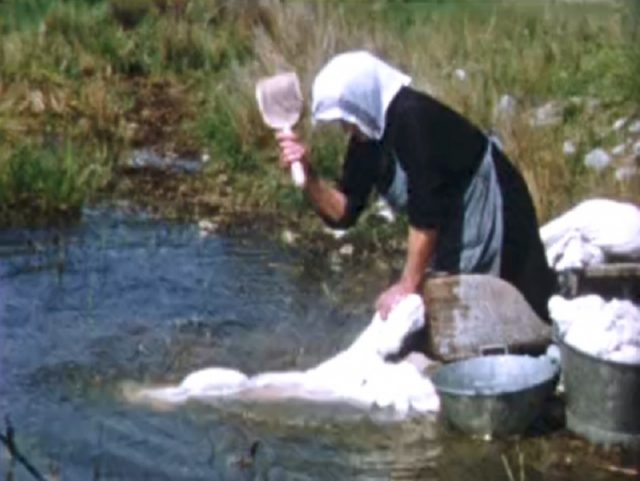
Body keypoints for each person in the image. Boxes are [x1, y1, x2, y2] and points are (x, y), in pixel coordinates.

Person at [276, 50, 557, 322]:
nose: (345, 128)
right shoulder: (367, 141)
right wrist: (310, 179)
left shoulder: (414, 120)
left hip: (495, 208)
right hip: (449, 224)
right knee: (456, 312)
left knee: (521, 300)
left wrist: (407, 285)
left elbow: (425, 212)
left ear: (364, 100)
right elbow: (343, 213)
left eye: (346, 119)